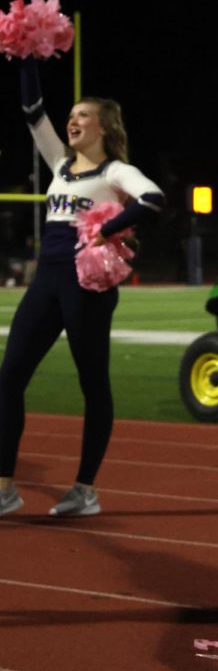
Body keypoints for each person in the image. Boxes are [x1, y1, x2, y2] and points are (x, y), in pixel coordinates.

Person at [0, 58, 164, 518]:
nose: (72, 121)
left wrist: (108, 229)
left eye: (82, 115)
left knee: (92, 383)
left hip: (86, 283)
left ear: (104, 126)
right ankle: (4, 486)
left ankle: (85, 488)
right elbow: (33, 109)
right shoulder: (59, 164)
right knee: (10, 376)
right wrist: (25, 52)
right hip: (46, 277)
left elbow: (153, 199)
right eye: (70, 116)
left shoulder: (114, 173)